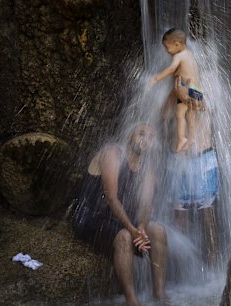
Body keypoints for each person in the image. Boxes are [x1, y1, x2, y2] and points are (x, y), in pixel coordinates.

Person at [71, 123, 167, 306]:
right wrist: (132, 230)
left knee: (158, 231)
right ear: (130, 134)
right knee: (124, 237)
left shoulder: (147, 166)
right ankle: (132, 300)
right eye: (141, 134)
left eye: (150, 137)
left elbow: (146, 204)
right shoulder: (113, 153)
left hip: (117, 218)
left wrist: (141, 227)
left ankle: (160, 296)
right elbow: (111, 197)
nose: (145, 140)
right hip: (90, 214)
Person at [166, 76, 219, 268]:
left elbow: (206, 104)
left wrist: (187, 92)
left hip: (202, 160)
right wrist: (174, 94)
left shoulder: (201, 89)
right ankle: (183, 271)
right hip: (178, 162)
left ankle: (212, 268)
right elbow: (163, 115)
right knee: (179, 218)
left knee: (207, 216)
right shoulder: (168, 93)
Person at [149, 28, 201, 152]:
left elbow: (171, 69)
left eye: (167, 48)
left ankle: (182, 139)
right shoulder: (190, 56)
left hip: (185, 89)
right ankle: (192, 138)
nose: (167, 51)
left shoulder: (179, 56)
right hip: (196, 90)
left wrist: (156, 78)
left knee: (179, 114)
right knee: (190, 115)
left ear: (177, 44)